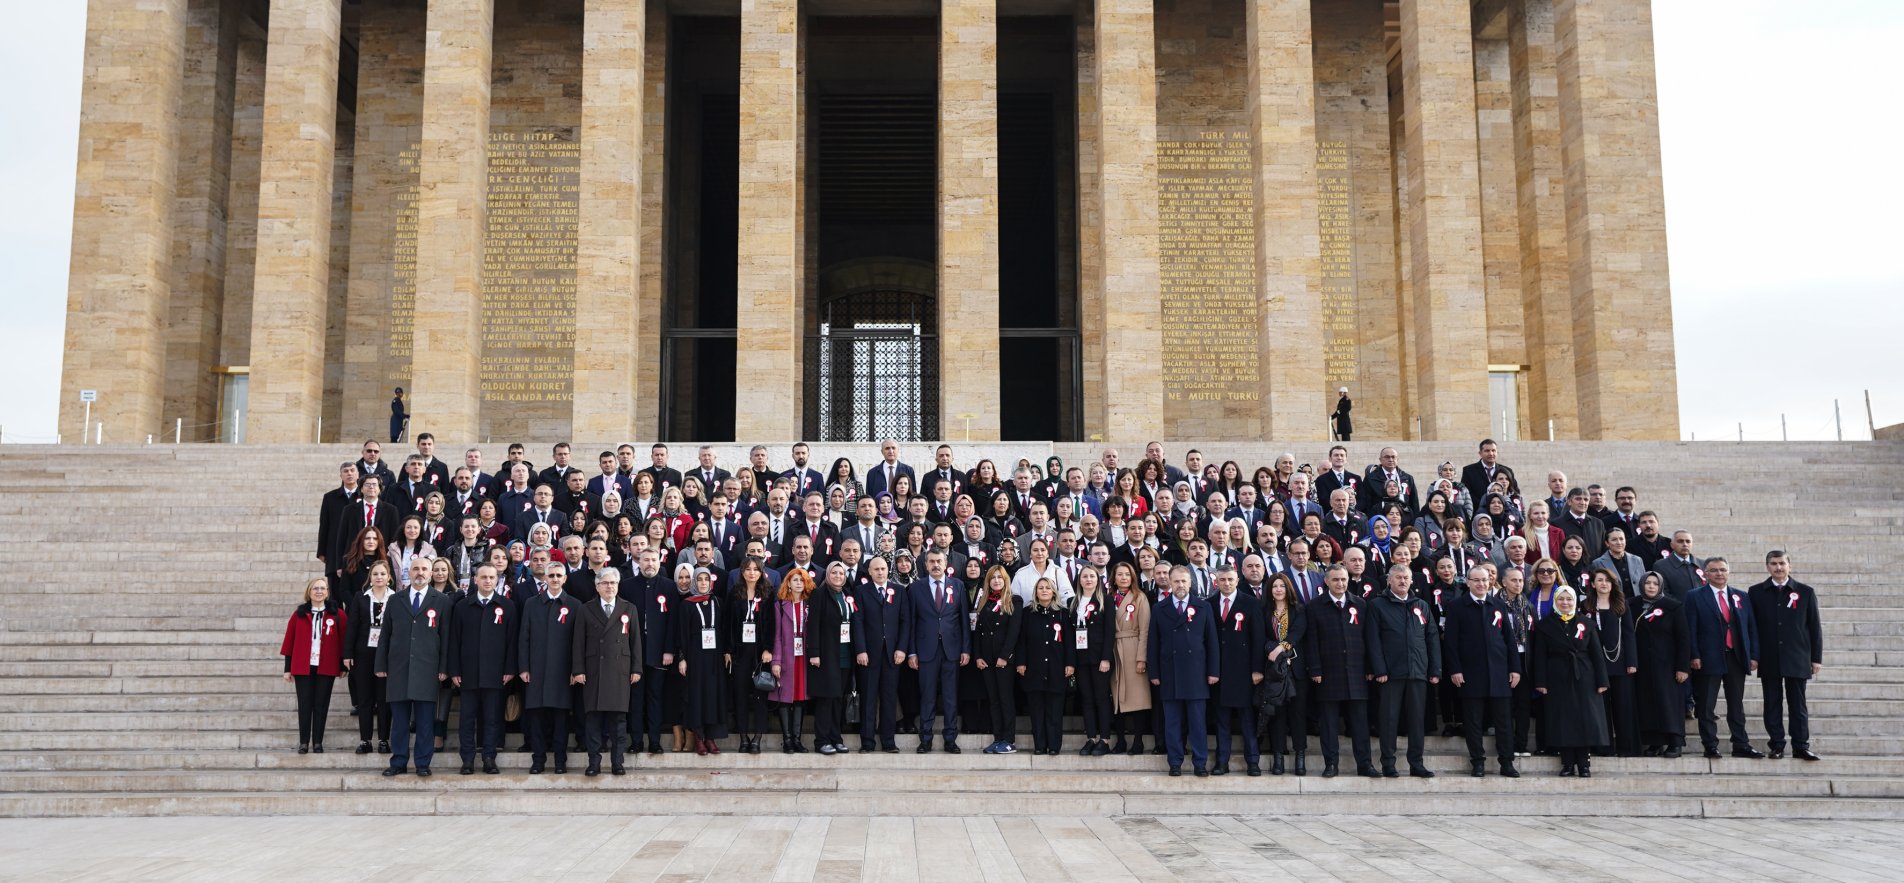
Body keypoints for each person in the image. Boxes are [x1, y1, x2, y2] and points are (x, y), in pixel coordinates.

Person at [1442, 564, 1521, 778]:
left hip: (1499, 673)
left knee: (1504, 722)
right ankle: (1478, 762)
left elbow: (1509, 640)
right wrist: (1455, 670)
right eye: (1476, 580)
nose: (1481, 584)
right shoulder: (1457, 607)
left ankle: (1507, 762)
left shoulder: (1498, 605)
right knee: (1473, 722)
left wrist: (1515, 668)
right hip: (1470, 674)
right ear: (1468, 582)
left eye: (1485, 580)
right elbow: (1450, 643)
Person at [375, 566, 454, 777]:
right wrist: (381, 665)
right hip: (398, 668)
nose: (420, 573)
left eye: (424, 569)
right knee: (399, 721)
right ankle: (398, 761)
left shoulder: (442, 601)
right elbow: (385, 635)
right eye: (416, 569)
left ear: (430, 574)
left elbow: (446, 638)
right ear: (409, 573)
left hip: (427, 669)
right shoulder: (395, 599)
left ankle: (422, 763)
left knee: (425, 721)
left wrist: (444, 668)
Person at [1748, 550, 1824, 760]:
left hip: (1797, 657)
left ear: (1789, 566)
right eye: (1773, 564)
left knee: (1797, 705)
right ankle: (1777, 745)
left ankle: (1801, 745)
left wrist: (1816, 658)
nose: (1778, 567)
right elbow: (1751, 627)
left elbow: (1814, 627)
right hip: (1769, 656)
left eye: (1782, 563)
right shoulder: (1756, 592)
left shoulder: (1805, 592)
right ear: (1767, 567)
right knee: (1772, 703)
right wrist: (1754, 654)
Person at [1303, 565, 1377, 778]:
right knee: (1328, 723)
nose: (1341, 583)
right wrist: (1315, 669)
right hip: (1328, 673)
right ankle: (1331, 764)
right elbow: (1312, 642)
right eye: (1335, 580)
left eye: (1343, 579)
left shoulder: (1361, 605)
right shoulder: (1314, 607)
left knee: (1360, 724)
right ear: (1326, 581)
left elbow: (1368, 638)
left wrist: (1370, 667)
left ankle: (1365, 764)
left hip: (1356, 673)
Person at [1686, 557, 1763, 759]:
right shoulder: (1694, 596)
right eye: (1714, 570)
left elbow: (1751, 627)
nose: (1719, 574)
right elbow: (1690, 629)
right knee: (1706, 706)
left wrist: (1753, 655)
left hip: (1736, 657)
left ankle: (1741, 743)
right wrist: (1694, 654)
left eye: (1723, 570)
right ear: (1705, 573)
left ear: (1728, 572)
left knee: (1736, 704)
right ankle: (1710, 744)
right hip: (1708, 658)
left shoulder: (1741, 596)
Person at [1369, 564, 1441, 778]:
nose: (1402, 581)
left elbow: (1432, 638)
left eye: (1406, 577)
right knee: (1389, 719)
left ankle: (1416, 763)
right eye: (1398, 577)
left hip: (1418, 672)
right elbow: (1373, 641)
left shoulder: (1421, 605)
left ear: (1412, 581)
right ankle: (1388, 763)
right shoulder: (1377, 605)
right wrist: (1379, 669)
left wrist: (1434, 669)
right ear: (1389, 581)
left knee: (1417, 720)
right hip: (1390, 674)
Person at [1148, 565, 1220, 776]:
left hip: (1196, 672)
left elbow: (1212, 642)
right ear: (1170, 583)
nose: (1180, 585)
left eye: (1184, 581)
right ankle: (1175, 763)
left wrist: (1213, 671)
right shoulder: (1159, 608)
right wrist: (1154, 673)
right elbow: (1153, 643)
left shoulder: (1203, 607)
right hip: (1170, 672)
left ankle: (1200, 763)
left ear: (1190, 583)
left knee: (1198, 723)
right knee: (1172, 723)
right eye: (1176, 581)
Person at [571, 564, 642, 777]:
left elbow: (636, 641)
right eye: (605, 583)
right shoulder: (585, 609)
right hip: (593, 671)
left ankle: (617, 763)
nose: (609, 586)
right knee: (592, 722)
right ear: (597, 586)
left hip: (619, 671)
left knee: (618, 723)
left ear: (618, 585)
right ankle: (594, 763)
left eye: (613, 582)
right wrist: (578, 670)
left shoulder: (629, 608)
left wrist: (636, 668)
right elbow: (578, 643)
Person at [1531, 587, 1609, 776]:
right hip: (1557, 677)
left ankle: (1584, 764)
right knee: (1563, 721)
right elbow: (1539, 656)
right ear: (1556, 602)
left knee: (1585, 719)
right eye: (1561, 599)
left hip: (1584, 676)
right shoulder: (1544, 625)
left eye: (1569, 599)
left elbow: (1597, 654)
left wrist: (1602, 680)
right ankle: (1567, 763)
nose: (1565, 603)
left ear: (1575, 601)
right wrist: (1540, 681)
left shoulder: (1587, 623)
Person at [448, 565, 517, 775]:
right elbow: (454, 641)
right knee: (467, 719)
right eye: (483, 577)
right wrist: (454, 670)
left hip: (496, 673)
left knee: (492, 718)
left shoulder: (507, 606)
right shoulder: (462, 606)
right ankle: (467, 759)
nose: (487, 581)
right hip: (468, 673)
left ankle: (489, 758)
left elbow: (512, 641)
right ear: (475, 580)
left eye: (491, 577)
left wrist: (510, 668)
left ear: (497, 580)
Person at [903, 549, 971, 753]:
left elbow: (964, 620)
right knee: (927, 696)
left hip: (952, 650)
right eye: (931, 561)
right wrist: (912, 652)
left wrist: (966, 649)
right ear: (925, 564)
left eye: (938, 561)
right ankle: (925, 739)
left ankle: (950, 738)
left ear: (946, 562)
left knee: (950, 696)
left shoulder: (957, 585)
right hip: (925, 651)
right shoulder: (916, 588)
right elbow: (911, 622)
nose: (935, 565)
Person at [517, 562, 578, 774]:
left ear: (565, 578)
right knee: (536, 719)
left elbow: (577, 642)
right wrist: (523, 667)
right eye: (550, 575)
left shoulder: (574, 605)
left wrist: (575, 670)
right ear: (545, 579)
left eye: (558, 575)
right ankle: (538, 760)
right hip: (536, 671)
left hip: (562, 673)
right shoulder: (531, 604)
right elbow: (524, 637)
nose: (554, 579)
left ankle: (560, 761)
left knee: (561, 720)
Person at [1207, 567, 1265, 776]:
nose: (1226, 583)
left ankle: (1253, 762)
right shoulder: (1209, 604)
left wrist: (1257, 669)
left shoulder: (1250, 603)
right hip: (1219, 673)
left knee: (1247, 720)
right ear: (1217, 582)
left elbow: (1258, 639)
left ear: (1237, 580)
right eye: (1222, 580)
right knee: (1221, 720)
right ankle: (1222, 762)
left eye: (1230, 579)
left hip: (1243, 672)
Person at [280, 577, 346, 754]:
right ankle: (304, 742)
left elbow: (344, 641)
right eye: (315, 588)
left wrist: (343, 666)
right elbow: (289, 641)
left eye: (322, 588)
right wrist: (288, 668)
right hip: (303, 666)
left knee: (321, 704)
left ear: (327, 592)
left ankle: (318, 741)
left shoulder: (337, 614)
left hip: (327, 665)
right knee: (304, 704)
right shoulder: (299, 614)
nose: (319, 591)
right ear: (309, 592)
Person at [1632, 572, 1690, 757]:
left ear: (1660, 586)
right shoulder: (1632, 605)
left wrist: (1682, 667)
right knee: (1648, 703)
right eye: (1647, 583)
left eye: (1655, 583)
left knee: (1668, 703)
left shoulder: (1673, 606)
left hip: (1667, 665)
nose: (1650, 586)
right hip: (1643, 665)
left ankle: (1675, 742)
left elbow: (1683, 638)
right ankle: (1654, 742)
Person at [1016, 577, 1075, 756]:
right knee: (1037, 711)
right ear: (1035, 592)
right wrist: (1021, 662)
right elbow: (1021, 640)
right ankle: (1040, 745)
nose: (1044, 591)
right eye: (1040, 588)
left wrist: (1070, 663)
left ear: (1053, 591)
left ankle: (1054, 746)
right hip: (1034, 669)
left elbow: (1069, 642)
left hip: (1057, 668)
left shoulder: (1063, 614)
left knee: (1054, 711)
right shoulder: (1028, 613)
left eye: (1047, 588)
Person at [675, 567, 730, 755]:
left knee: (712, 696)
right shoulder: (686, 604)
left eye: (707, 579)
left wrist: (726, 652)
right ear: (694, 583)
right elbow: (681, 634)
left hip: (714, 657)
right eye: (699, 580)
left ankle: (710, 738)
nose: (703, 583)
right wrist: (682, 658)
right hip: (695, 657)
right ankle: (698, 738)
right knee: (697, 695)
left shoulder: (718, 602)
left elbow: (724, 629)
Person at [1585, 569, 1638, 757]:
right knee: (1601, 708)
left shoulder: (1621, 605)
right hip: (1595, 665)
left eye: (1607, 580)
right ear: (1592, 584)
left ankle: (1626, 747)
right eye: (1599, 580)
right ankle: (1603, 747)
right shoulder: (1586, 606)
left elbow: (1630, 634)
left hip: (1620, 662)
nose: (1604, 583)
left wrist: (1632, 661)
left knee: (1623, 706)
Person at [726, 558, 778, 755]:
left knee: (760, 695)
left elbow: (772, 623)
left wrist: (768, 649)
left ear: (761, 572)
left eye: (756, 569)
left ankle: (757, 737)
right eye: (748, 569)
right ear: (742, 572)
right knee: (739, 695)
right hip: (740, 653)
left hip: (760, 653)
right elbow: (728, 623)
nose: (752, 573)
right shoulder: (735, 593)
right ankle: (743, 737)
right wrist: (728, 650)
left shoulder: (767, 593)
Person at [343, 561, 394, 754]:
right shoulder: (360, 598)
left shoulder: (396, 598)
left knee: (384, 699)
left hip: (387, 655)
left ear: (389, 577)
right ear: (370, 577)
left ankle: (383, 739)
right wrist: (347, 653)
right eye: (375, 574)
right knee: (364, 698)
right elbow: (352, 627)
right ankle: (365, 740)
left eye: (382, 574)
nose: (379, 577)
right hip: (363, 654)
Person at [807, 562, 856, 756]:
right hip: (826, 655)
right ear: (827, 575)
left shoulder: (847, 595)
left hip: (845, 655)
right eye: (833, 572)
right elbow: (813, 626)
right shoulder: (820, 595)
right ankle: (822, 740)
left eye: (840, 573)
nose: (837, 576)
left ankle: (836, 738)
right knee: (826, 699)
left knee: (838, 699)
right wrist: (814, 653)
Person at [972, 565, 1022, 754]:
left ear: (1006, 580)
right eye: (993, 578)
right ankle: (998, 738)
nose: (996, 581)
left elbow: (1014, 632)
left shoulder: (1013, 600)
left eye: (1000, 578)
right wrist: (977, 656)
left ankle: (1009, 740)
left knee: (1005, 699)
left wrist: (1004, 656)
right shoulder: (984, 601)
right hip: (986, 659)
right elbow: (978, 631)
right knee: (993, 699)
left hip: (1003, 660)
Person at [1070, 567, 1117, 757]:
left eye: (1092, 576)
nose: (1088, 579)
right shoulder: (1073, 602)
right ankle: (1090, 737)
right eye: (1084, 577)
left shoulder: (1106, 600)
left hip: (1099, 658)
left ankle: (1104, 739)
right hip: (1081, 659)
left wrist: (1106, 657)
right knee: (1086, 699)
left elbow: (1109, 632)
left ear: (1098, 580)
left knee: (1101, 698)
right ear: (1079, 581)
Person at [770, 568, 815, 753]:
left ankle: (797, 739)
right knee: (785, 697)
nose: (798, 583)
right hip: (787, 656)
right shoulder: (780, 606)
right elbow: (777, 636)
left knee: (800, 698)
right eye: (795, 580)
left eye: (801, 580)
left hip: (803, 657)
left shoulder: (809, 606)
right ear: (788, 583)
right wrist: (776, 661)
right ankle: (787, 739)